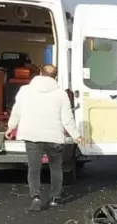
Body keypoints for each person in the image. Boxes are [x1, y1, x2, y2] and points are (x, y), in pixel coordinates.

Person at [7, 64, 82, 212]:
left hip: (31, 135)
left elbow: (17, 111)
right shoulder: (61, 94)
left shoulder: (25, 90)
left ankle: (36, 197)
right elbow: (67, 118)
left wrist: (11, 127)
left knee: (34, 169)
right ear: (55, 76)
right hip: (53, 137)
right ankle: (55, 198)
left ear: (40, 73)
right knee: (56, 169)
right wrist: (76, 135)